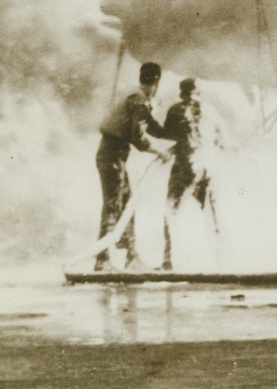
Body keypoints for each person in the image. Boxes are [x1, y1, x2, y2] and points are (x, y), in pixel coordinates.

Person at [94, 62, 172, 271]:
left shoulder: (136, 97)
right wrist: (160, 151)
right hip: (112, 156)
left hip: (113, 156)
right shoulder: (138, 100)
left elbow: (152, 127)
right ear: (156, 82)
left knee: (127, 204)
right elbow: (137, 137)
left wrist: (173, 136)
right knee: (113, 206)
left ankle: (131, 256)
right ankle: (102, 260)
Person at [160, 78, 220, 271]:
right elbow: (219, 137)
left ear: (182, 94)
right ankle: (221, 259)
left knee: (171, 210)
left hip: (186, 167)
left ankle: (168, 260)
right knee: (212, 214)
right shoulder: (210, 110)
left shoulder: (176, 110)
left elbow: (168, 134)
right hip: (207, 167)